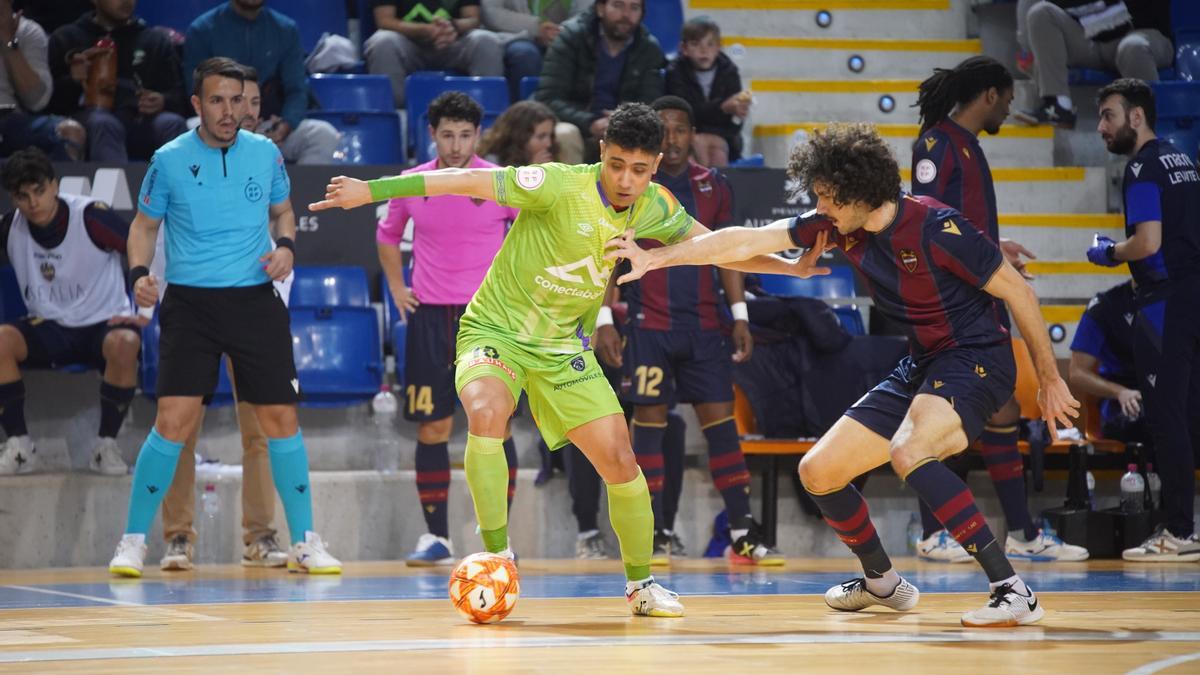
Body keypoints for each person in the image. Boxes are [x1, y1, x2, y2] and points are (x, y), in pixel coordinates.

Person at [311, 103, 806, 616]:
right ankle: (497, 554)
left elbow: (720, 247)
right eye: (616, 164)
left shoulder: (655, 205)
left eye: (639, 169)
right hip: (495, 331)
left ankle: (640, 586)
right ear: (601, 153)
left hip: (564, 348)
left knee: (620, 459)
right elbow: (459, 180)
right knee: (486, 413)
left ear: (655, 165)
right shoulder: (553, 182)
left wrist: (790, 269)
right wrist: (372, 191)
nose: (625, 179)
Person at [608, 123, 1081, 627]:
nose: (820, 206)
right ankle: (882, 582)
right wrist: (657, 258)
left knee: (910, 451)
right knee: (819, 472)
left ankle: (1012, 591)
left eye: (828, 196)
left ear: (860, 190)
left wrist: (1050, 379)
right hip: (922, 362)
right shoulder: (836, 224)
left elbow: (1021, 295)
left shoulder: (936, 226)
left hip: (976, 358)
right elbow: (738, 242)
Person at [106, 57, 341, 578]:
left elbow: (283, 212)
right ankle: (133, 542)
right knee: (173, 423)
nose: (230, 110)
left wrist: (285, 246)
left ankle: (305, 541)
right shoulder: (168, 159)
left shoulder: (265, 153)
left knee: (280, 420)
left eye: (238, 100)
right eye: (217, 100)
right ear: (196, 105)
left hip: (256, 301)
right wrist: (140, 272)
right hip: (190, 304)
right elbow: (143, 226)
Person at [909, 55, 1087, 563]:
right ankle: (935, 532)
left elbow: (958, 225)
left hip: (978, 296)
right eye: (1007, 100)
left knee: (1003, 406)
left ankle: (1022, 534)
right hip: (948, 304)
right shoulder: (936, 145)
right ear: (989, 95)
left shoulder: (968, 145)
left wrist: (994, 247)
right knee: (939, 411)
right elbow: (925, 226)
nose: (1009, 110)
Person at [594, 95, 778, 565]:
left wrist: (739, 314)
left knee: (723, 430)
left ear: (693, 134)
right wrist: (603, 317)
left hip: (703, 329)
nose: (673, 138)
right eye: (665, 130)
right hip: (649, 328)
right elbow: (611, 256)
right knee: (649, 428)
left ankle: (742, 532)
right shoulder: (635, 184)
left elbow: (729, 253)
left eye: (680, 129)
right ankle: (653, 535)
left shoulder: (713, 187)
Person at [377, 92, 519, 566]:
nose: (456, 145)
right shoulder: (410, 183)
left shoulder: (500, 182)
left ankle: (499, 543)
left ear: (478, 135)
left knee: (495, 426)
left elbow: (530, 236)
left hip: (489, 319)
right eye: (447, 134)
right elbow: (386, 236)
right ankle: (436, 538)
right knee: (433, 428)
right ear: (432, 135)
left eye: (464, 134)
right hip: (430, 319)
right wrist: (398, 286)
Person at [1086, 78, 1200, 562]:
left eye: (1108, 115)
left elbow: (1147, 243)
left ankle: (1178, 532)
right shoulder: (1182, 159)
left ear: (1136, 117)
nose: (1101, 127)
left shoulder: (1142, 167)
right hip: (1193, 292)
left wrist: (1107, 252)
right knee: (1188, 415)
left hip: (1165, 299)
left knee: (1167, 417)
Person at [0, 147, 140, 476]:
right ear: (12, 198)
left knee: (125, 342)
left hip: (103, 323)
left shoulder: (90, 217)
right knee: (1, 340)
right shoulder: (10, 227)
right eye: (23, 196)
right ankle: (19, 446)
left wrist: (143, 285)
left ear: (55, 185)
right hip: (49, 327)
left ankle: (105, 446)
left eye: (39, 191)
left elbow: (138, 247)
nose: (33, 203)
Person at [46, 0, 187, 161]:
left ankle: (179, 185)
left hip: (140, 120)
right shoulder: (67, 38)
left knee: (172, 123)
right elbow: (45, 103)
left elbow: (179, 96)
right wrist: (73, 80)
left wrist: (162, 101)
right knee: (105, 124)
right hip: (89, 119)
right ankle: (113, 186)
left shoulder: (155, 41)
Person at [535, 0, 664, 164]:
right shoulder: (571, 37)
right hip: (577, 124)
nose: (626, 15)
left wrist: (623, 118)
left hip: (623, 126)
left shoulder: (648, 48)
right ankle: (572, 190)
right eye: (618, 5)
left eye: (634, 7)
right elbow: (548, 98)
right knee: (565, 134)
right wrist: (589, 122)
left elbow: (650, 102)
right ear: (601, 9)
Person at [1013, 0, 1173, 128]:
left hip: (1141, 32)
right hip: (1092, 37)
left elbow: (1135, 11)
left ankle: (1150, 129)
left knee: (1133, 48)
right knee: (1041, 12)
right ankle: (1059, 106)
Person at [182, 1, 313, 156]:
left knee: (320, 135)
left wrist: (286, 124)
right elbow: (197, 89)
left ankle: (283, 180)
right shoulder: (202, 29)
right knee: (192, 128)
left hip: (269, 126)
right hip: (221, 122)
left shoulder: (286, 30)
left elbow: (297, 89)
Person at [364, 0, 504, 109]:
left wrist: (452, 27)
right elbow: (384, 21)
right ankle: (397, 118)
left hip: (453, 42)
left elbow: (473, 19)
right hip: (407, 44)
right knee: (382, 42)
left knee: (486, 40)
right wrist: (425, 30)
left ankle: (487, 119)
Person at [0, 0, 86, 160]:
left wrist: (8, 42)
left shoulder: (27, 31)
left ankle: (55, 185)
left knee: (70, 132)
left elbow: (37, 101)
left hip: (9, 121)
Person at [1068, 280, 1151, 443]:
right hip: (1124, 402)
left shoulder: (1183, 300)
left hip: (1175, 400)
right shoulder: (1107, 305)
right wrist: (1119, 392)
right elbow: (1077, 372)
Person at [664, 17, 747, 167]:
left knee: (717, 149)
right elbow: (684, 112)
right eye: (696, 44)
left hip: (722, 136)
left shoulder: (729, 71)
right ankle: (702, 187)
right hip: (687, 135)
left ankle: (716, 188)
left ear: (718, 47)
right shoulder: (675, 72)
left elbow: (734, 125)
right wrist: (722, 108)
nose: (704, 50)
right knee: (696, 144)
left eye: (710, 44)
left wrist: (739, 113)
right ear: (684, 49)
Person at [480, 0, 589, 103]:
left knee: (581, 53)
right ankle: (521, 117)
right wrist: (536, 27)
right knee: (525, 54)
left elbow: (587, 13)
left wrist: (561, 32)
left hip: (568, 37)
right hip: (514, 35)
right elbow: (492, 13)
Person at [238, 66, 338, 165]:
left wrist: (286, 123)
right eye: (239, 102)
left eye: (255, 103)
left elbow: (297, 91)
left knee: (322, 133)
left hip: (262, 132)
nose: (250, 112)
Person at [478, 99, 558, 166]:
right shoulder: (492, 161)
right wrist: (533, 170)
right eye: (541, 137)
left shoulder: (551, 154)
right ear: (520, 136)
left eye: (550, 135)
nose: (548, 144)